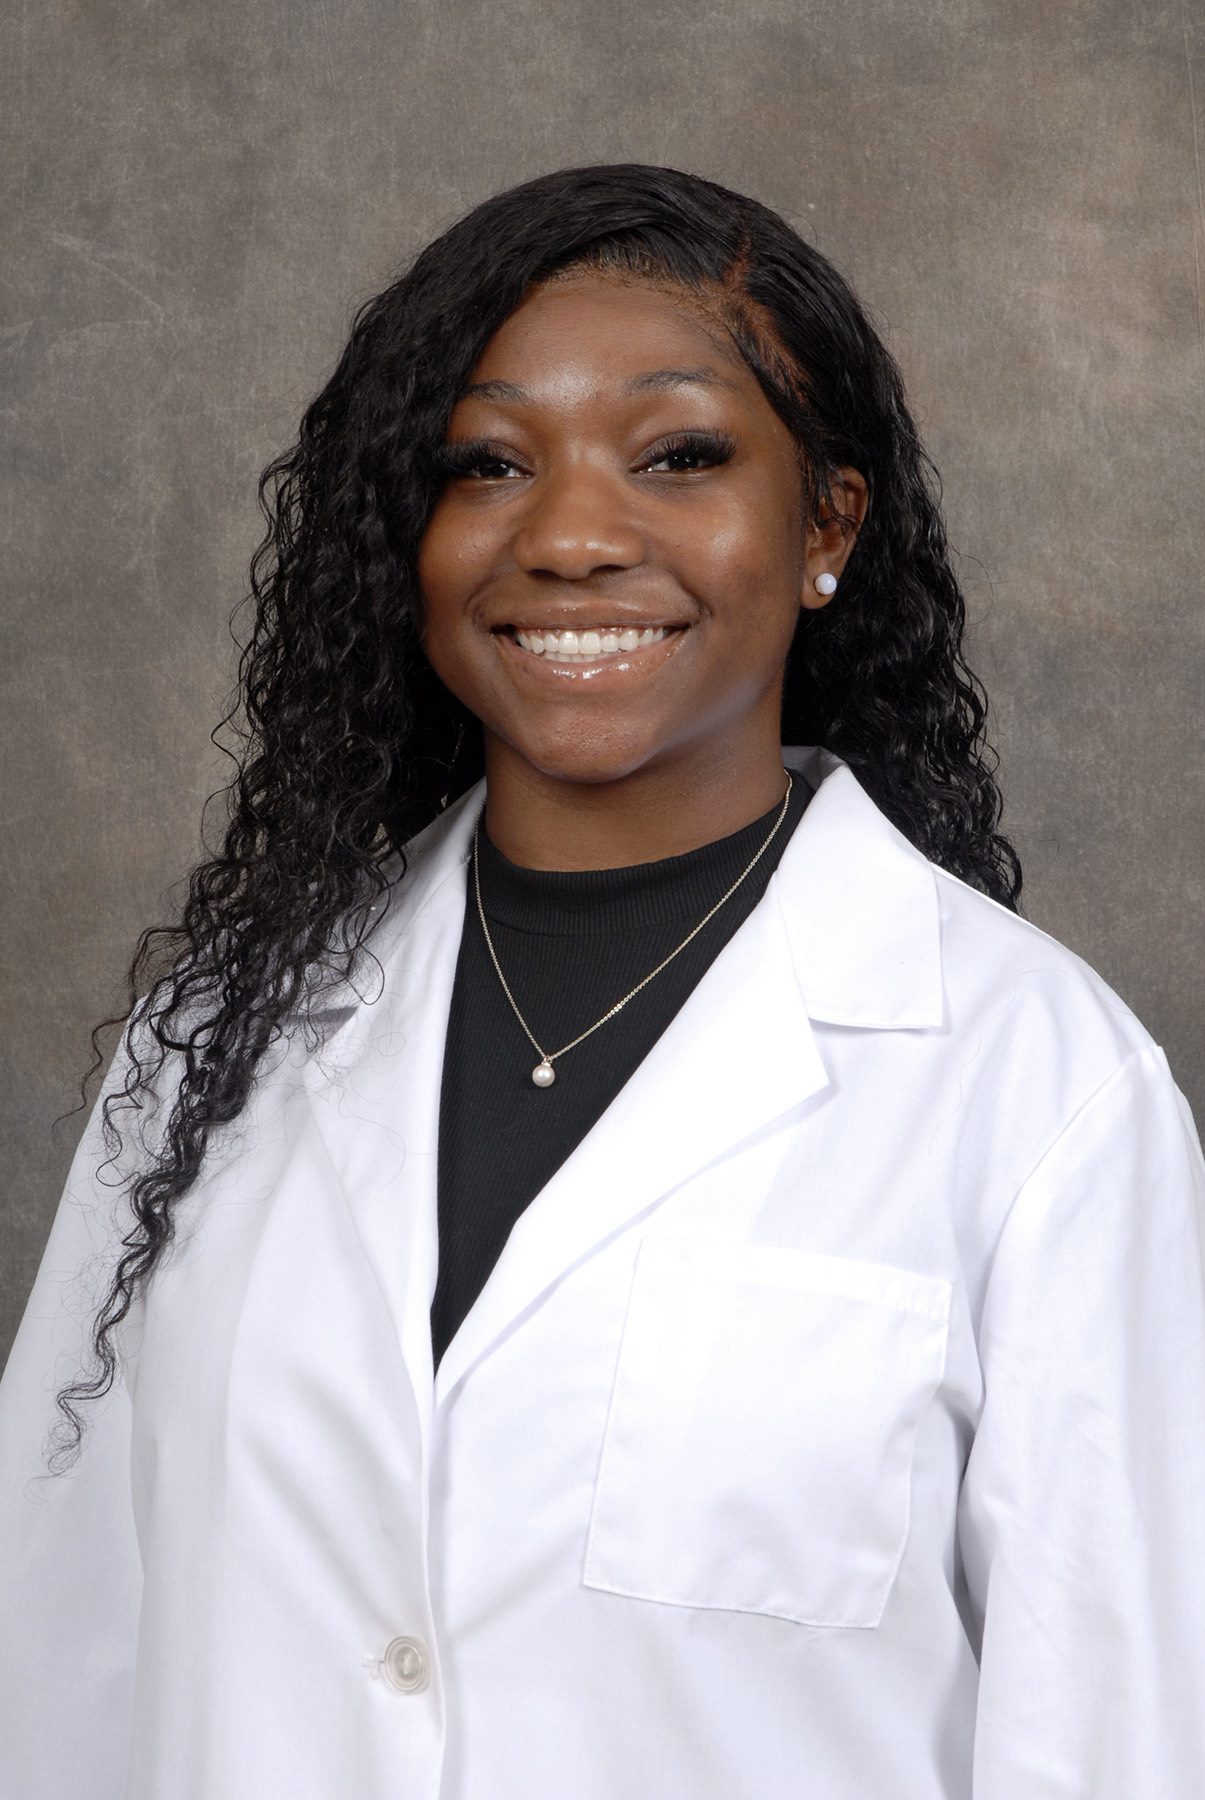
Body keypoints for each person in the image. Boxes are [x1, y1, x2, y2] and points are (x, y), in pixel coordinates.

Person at [1, 162, 1202, 1800]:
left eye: (679, 455)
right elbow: (57, 1654)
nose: (569, 535)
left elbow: (1115, 1729)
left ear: (825, 525)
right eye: (484, 464)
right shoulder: (213, 1047)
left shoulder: (1035, 1084)